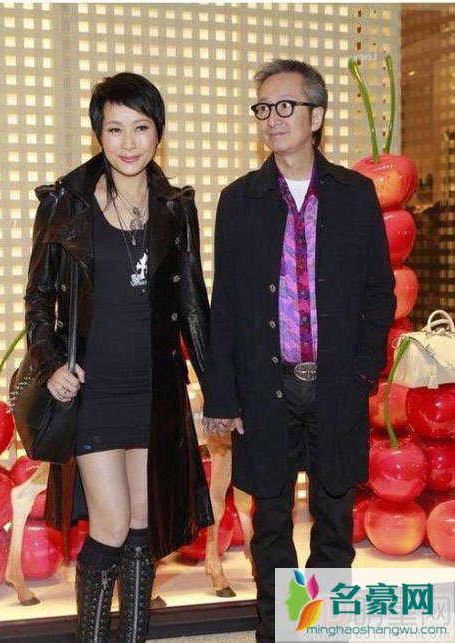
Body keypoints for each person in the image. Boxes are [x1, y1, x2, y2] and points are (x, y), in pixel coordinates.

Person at [203, 59, 396, 642]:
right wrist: (224, 396)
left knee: (335, 520)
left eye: (285, 105)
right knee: (271, 523)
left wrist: (364, 370)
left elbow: (379, 291)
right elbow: (225, 305)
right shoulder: (240, 200)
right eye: (263, 107)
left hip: (338, 383)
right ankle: (280, 632)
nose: (272, 118)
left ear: (316, 116)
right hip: (266, 386)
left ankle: (321, 631)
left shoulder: (355, 195)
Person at [24, 72, 213, 642]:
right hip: (94, 391)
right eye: (115, 129)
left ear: (158, 132)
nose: (128, 143)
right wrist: (51, 363)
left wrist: (218, 390)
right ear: (98, 134)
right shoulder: (65, 203)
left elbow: (193, 302)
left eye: (141, 128)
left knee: (141, 526)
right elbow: (39, 297)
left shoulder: (176, 208)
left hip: (155, 390)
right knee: (108, 525)